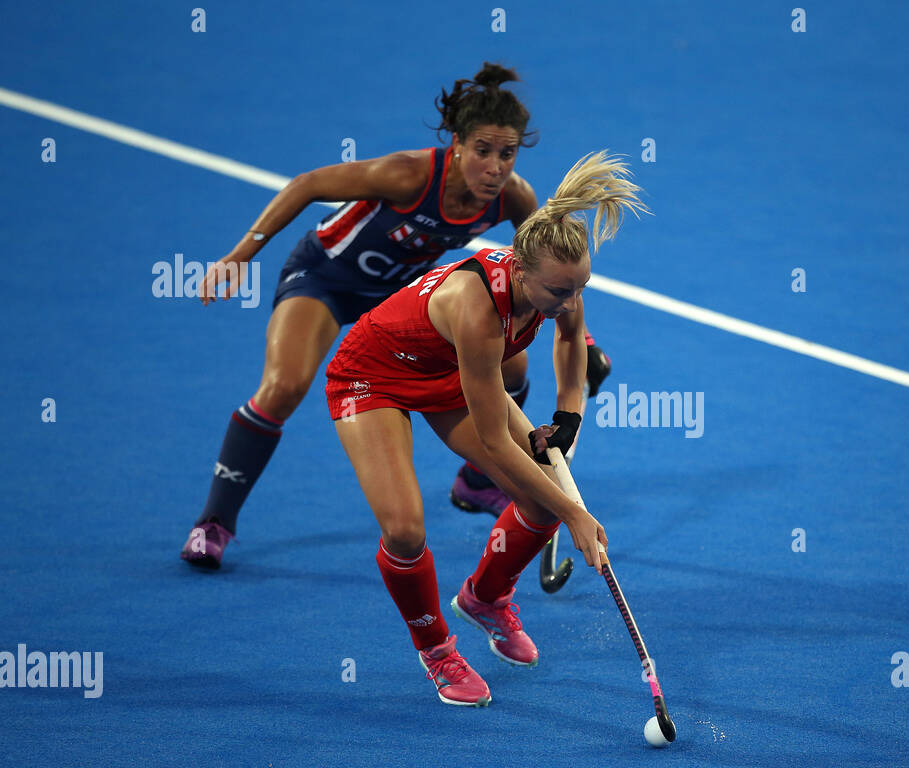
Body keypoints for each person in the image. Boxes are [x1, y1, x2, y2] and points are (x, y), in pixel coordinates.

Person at [181, 63, 612, 568]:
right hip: (326, 279)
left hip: (400, 298)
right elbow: (306, 184)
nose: (496, 167)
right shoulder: (409, 174)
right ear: (456, 143)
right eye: (483, 151)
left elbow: (537, 271)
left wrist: (581, 343)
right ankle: (214, 522)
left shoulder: (515, 197)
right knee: (283, 388)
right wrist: (241, 253)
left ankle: (476, 481)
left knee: (511, 364)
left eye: (508, 154)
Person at [324, 151, 647, 706]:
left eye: (579, 289)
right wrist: (577, 513)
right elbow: (495, 443)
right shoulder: (477, 311)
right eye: (560, 294)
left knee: (540, 498)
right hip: (371, 376)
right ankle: (437, 652)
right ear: (520, 272)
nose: (571, 303)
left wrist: (567, 420)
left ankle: (485, 597)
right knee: (404, 530)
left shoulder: (559, 280)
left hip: (447, 370)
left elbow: (571, 342)